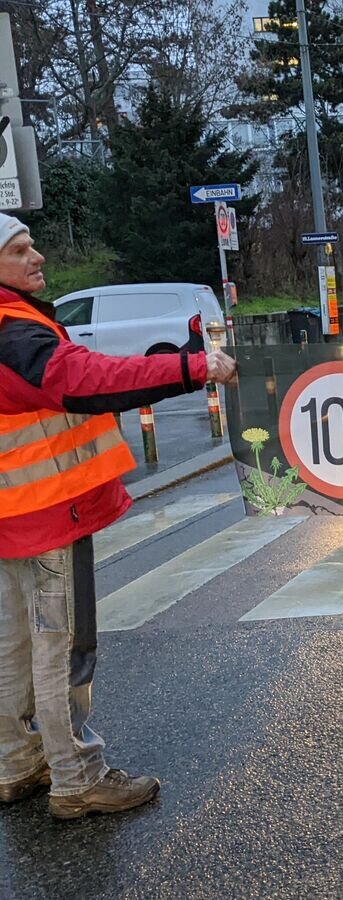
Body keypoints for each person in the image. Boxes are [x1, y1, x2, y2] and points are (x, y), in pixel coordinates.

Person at [0, 214, 239, 817]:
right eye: (21, 250)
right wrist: (192, 368)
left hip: (12, 515)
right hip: (45, 512)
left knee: (17, 643)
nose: (39, 259)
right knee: (62, 648)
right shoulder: (12, 331)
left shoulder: (17, 322)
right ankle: (77, 776)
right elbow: (83, 379)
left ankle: (16, 760)